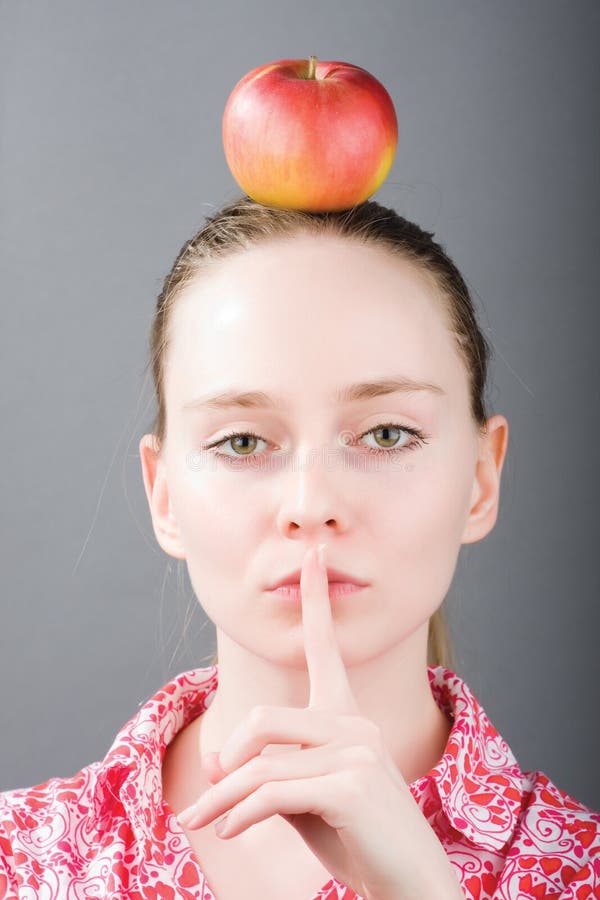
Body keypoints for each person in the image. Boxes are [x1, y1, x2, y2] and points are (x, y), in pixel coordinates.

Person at [1, 195, 598, 899]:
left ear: (479, 478)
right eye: (243, 442)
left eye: (386, 434)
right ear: (164, 496)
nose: (312, 506)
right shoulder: (19, 861)